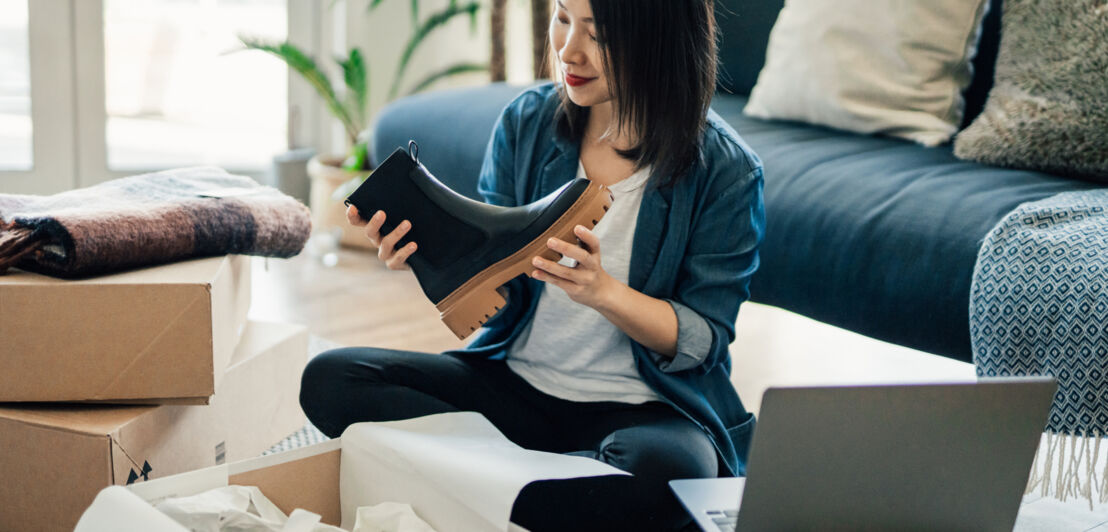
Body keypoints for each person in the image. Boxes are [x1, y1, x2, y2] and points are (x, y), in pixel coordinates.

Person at [299, 0, 764, 529]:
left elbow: (703, 341)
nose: (569, 49)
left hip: (643, 411)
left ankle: (477, 481)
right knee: (330, 380)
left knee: (674, 475)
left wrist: (603, 291)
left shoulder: (726, 170)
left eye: (600, 33)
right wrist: (435, 258)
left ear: (659, 39)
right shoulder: (528, 123)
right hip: (513, 385)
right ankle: (541, 493)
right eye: (563, 18)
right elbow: (503, 300)